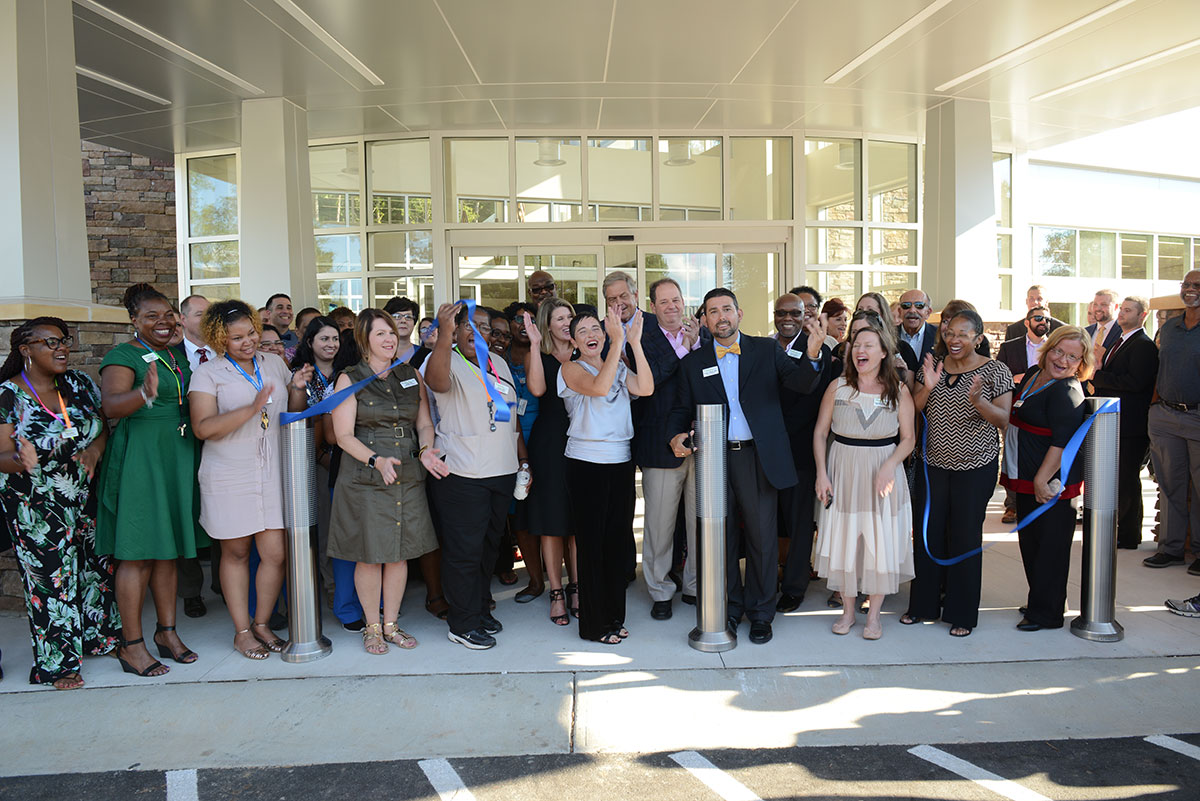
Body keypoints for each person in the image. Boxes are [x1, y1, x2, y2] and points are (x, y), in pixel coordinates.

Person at [669, 288, 829, 645]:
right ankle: (728, 608)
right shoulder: (692, 364)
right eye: (713, 311)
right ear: (705, 320)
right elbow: (681, 410)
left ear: (739, 313)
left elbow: (801, 384)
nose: (721, 316)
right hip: (713, 459)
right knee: (721, 538)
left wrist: (813, 353)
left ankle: (760, 613)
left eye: (727, 309)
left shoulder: (765, 349)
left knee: (761, 538)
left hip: (757, 457)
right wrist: (675, 437)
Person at [0, 319, 121, 688]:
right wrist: (22, 459)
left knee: (94, 570)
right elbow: (2, 453)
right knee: (51, 583)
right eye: (50, 342)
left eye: (64, 341)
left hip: (83, 496)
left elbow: (101, 428)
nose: (61, 348)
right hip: (35, 505)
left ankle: (97, 638)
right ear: (26, 350)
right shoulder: (8, 395)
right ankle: (57, 666)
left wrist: (95, 452)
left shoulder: (79, 384)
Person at [189, 300, 311, 659]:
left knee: (274, 554)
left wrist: (299, 387)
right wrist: (251, 408)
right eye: (237, 337)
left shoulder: (274, 362)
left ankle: (262, 624)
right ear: (219, 339)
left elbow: (293, 412)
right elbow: (203, 428)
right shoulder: (208, 374)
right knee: (237, 552)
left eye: (252, 333)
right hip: (229, 471)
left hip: (272, 470)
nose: (248, 342)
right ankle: (242, 631)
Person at [97, 283, 207, 677]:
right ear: (133, 321)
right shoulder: (122, 355)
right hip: (143, 458)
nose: (162, 322)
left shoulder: (175, 354)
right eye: (151, 316)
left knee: (168, 550)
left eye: (167, 315)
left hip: (176, 456)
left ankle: (167, 632)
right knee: (138, 553)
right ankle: (131, 645)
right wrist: (143, 394)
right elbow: (110, 405)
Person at [327, 309, 444, 654]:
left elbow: (423, 423)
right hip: (366, 476)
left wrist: (425, 450)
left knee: (398, 554)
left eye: (391, 333)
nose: (390, 339)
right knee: (370, 555)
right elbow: (343, 435)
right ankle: (372, 627)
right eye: (380, 334)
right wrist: (375, 460)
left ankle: (391, 624)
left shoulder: (410, 374)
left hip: (405, 474)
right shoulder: (350, 378)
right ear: (364, 340)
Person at [903, 308, 1012, 637]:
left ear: (978, 338)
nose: (954, 340)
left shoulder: (996, 371)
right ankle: (922, 606)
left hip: (975, 468)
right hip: (932, 466)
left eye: (963, 334)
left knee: (964, 538)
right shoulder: (932, 367)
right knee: (928, 537)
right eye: (949, 333)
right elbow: (911, 411)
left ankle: (962, 613)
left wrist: (980, 402)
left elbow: (1004, 419)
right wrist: (927, 386)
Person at [425, 302, 526, 650]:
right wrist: (443, 335)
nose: (476, 333)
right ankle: (462, 622)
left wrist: (520, 460)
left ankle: (479, 608)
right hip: (463, 472)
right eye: (468, 326)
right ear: (456, 330)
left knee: (487, 548)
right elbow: (436, 382)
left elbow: (512, 416)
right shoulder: (445, 359)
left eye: (483, 328)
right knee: (463, 552)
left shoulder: (498, 364)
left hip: (500, 469)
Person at [813, 318, 915, 639]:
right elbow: (819, 433)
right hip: (843, 468)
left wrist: (890, 465)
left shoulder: (899, 390)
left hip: (883, 471)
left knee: (878, 540)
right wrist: (821, 473)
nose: (860, 350)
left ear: (884, 352)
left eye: (868, 345)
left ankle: (873, 616)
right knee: (846, 539)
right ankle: (847, 613)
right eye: (856, 345)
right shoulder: (838, 386)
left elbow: (909, 438)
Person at [559, 307, 654, 643]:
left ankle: (614, 617)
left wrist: (634, 343)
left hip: (620, 462)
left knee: (616, 545)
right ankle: (595, 625)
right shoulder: (570, 368)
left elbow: (645, 387)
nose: (590, 335)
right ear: (572, 340)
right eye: (581, 331)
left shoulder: (617, 362)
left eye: (594, 329)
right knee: (592, 546)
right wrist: (617, 343)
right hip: (586, 464)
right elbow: (598, 389)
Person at [1000, 326, 1089, 631]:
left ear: (1081, 362)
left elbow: (1061, 442)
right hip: (1025, 478)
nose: (1062, 360)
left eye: (1072, 356)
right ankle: (1041, 599)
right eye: (1058, 351)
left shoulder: (1068, 392)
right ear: (1048, 348)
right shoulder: (1031, 375)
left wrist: (1041, 478)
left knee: (1050, 549)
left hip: (1050, 484)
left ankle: (1047, 614)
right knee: (1032, 545)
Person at [635, 278, 703, 620]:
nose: (672, 306)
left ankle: (693, 584)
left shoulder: (702, 338)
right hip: (659, 445)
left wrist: (697, 348)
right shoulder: (642, 340)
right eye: (664, 302)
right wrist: (686, 351)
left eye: (676, 299)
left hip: (701, 442)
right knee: (659, 526)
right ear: (653, 307)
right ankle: (660, 590)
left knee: (698, 522)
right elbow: (651, 383)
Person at [774, 290, 834, 613]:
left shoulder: (818, 350)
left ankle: (794, 587)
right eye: (781, 313)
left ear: (804, 316)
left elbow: (812, 394)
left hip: (801, 452)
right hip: (766, 453)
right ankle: (768, 580)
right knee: (768, 523)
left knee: (799, 525)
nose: (787, 319)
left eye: (794, 314)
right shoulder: (764, 348)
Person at [1089, 297, 1159, 550]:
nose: (1122, 314)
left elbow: (1135, 383)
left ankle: (1129, 535)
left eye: (1128, 310)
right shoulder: (1120, 341)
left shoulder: (1143, 345)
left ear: (1143, 315)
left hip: (1131, 424)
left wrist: (1098, 376)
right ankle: (1119, 529)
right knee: (1117, 480)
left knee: (1128, 480)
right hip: (1114, 421)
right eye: (1122, 309)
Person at [526, 298, 580, 624]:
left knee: (577, 520)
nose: (565, 322)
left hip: (583, 441)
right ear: (548, 325)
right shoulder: (542, 356)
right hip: (548, 444)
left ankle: (577, 586)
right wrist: (534, 346)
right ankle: (556, 591)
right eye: (559, 318)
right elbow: (536, 388)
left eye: (569, 317)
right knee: (551, 522)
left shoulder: (585, 352)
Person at [1144, 270, 1200, 571]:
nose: (1190, 290)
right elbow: (1159, 367)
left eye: (1197, 285)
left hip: (1197, 417)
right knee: (1169, 485)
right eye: (1186, 285)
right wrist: (1154, 406)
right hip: (1165, 415)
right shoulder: (1171, 328)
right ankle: (1171, 549)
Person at [289, 315, 342, 597]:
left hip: (346, 459)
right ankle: (329, 590)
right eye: (324, 338)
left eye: (335, 338)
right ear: (310, 342)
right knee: (322, 529)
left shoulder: (347, 373)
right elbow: (294, 415)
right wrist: (321, 455)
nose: (331, 344)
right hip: (312, 461)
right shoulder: (300, 374)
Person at [503, 301, 545, 603]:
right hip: (508, 445)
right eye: (517, 319)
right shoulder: (495, 359)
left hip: (545, 444)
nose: (522, 324)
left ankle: (561, 579)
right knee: (519, 517)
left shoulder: (543, 356)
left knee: (548, 512)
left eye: (529, 320)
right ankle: (535, 580)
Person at [996, 306, 1054, 524]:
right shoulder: (1010, 347)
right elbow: (998, 377)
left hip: (1046, 410)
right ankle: (1012, 505)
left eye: (1046, 319)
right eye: (1038, 318)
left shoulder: (1054, 346)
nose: (1043, 322)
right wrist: (1018, 378)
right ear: (1027, 322)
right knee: (1012, 455)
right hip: (1014, 407)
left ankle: (1039, 499)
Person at [176, 293, 212, 618]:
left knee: (219, 511)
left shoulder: (226, 355)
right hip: (184, 446)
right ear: (183, 319)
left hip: (220, 445)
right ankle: (191, 591)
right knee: (186, 513)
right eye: (200, 313)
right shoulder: (170, 357)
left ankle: (224, 585)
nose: (206, 319)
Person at [855, 293, 918, 372]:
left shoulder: (903, 350)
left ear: (883, 316)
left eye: (870, 311)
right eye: (860, 311)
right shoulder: (841, 350)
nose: (864, 316)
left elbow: (909, 383)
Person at [896, 289, 937, 369]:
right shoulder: (887, 335)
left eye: (919, 305)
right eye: (906, 305)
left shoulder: (939, 336)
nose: (912, 310)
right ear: (900, 312)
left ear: (928, 312)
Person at [384, 296, 427, 367]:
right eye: (397, 316)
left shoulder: (427, 355)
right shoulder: (380, 355)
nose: (403, 321)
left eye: (408, 317)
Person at [1084, 289, 1123, 356]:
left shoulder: (1122, 333)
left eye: (1103, 304)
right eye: (1095, 304)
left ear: (1116, 307)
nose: (1098, 308)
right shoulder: (1086, 331)